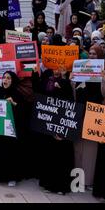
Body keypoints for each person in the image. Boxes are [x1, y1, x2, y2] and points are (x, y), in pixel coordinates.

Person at [73, 45, 105, 189]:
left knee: (90, 150)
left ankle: (88, 181)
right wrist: (72, 80)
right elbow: (74, 93)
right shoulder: (81, 69)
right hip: (80, 113)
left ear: (100, 56)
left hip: (94, 115)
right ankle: (76, 181)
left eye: (95, 54)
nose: (92, 56)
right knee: (77, 148)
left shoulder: (104, 72)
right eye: (90, 53)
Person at [32, 66, 75, 195]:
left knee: (61, 159)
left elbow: (70, 102)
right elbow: (39, 94)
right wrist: (35, 75)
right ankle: (48, 184)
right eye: (55, 68)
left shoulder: (67, 82)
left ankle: (61, 186)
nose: (57, 71)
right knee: (49, 157)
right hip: (49, 127)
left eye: (60, 69)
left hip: (62, 127)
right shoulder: (47, 81)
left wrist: (63, 83)